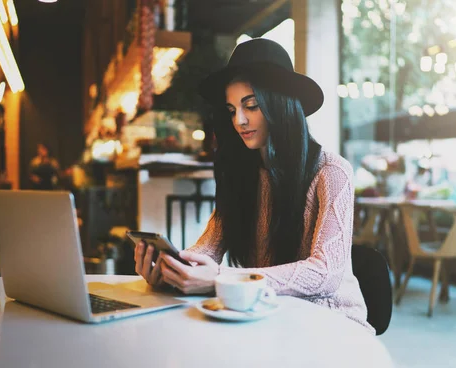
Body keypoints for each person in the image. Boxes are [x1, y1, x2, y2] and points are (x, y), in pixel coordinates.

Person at [134, 38, 373, 333]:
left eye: (251, 106)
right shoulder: (240, 172)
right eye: (232, 110)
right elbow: (208, 247)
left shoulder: (332, 171)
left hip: (332, 323)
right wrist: (176, 270)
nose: (240, 120)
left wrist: (221, 278)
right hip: (267, 316)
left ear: (280, 106)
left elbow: (327, 273)